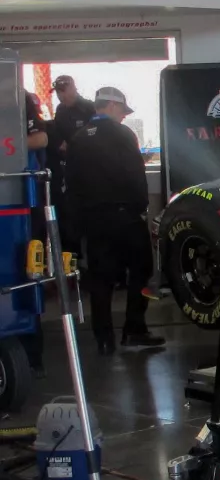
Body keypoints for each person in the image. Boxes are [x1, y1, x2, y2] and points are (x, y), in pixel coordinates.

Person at [65, 86, 164, 355]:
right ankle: (135, 329)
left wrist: (76, 226)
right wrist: (141, 207)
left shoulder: (78, 137)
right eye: (121, 110)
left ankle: (104, 339)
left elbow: (71, 184)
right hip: (125, 216)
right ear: (110, 105)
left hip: (93, 220)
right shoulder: (123, 134)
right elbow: (135, 174)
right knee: (142, 271)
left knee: (100, 279)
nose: (123, 116)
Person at [48, 74, 95, 254]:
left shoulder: (89, 108)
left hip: (91, 172)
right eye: (57, 92)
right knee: (70, 219)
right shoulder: (60, 111)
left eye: (63, 91)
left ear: (73, 88)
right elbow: (58, 138)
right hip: (69, 173)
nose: (60, 96)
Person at [20, 90, 49, 376]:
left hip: (23, 204)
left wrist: (7, 145)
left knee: (29, 272)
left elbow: (40, 137)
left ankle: (32, 355)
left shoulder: (18, 97)